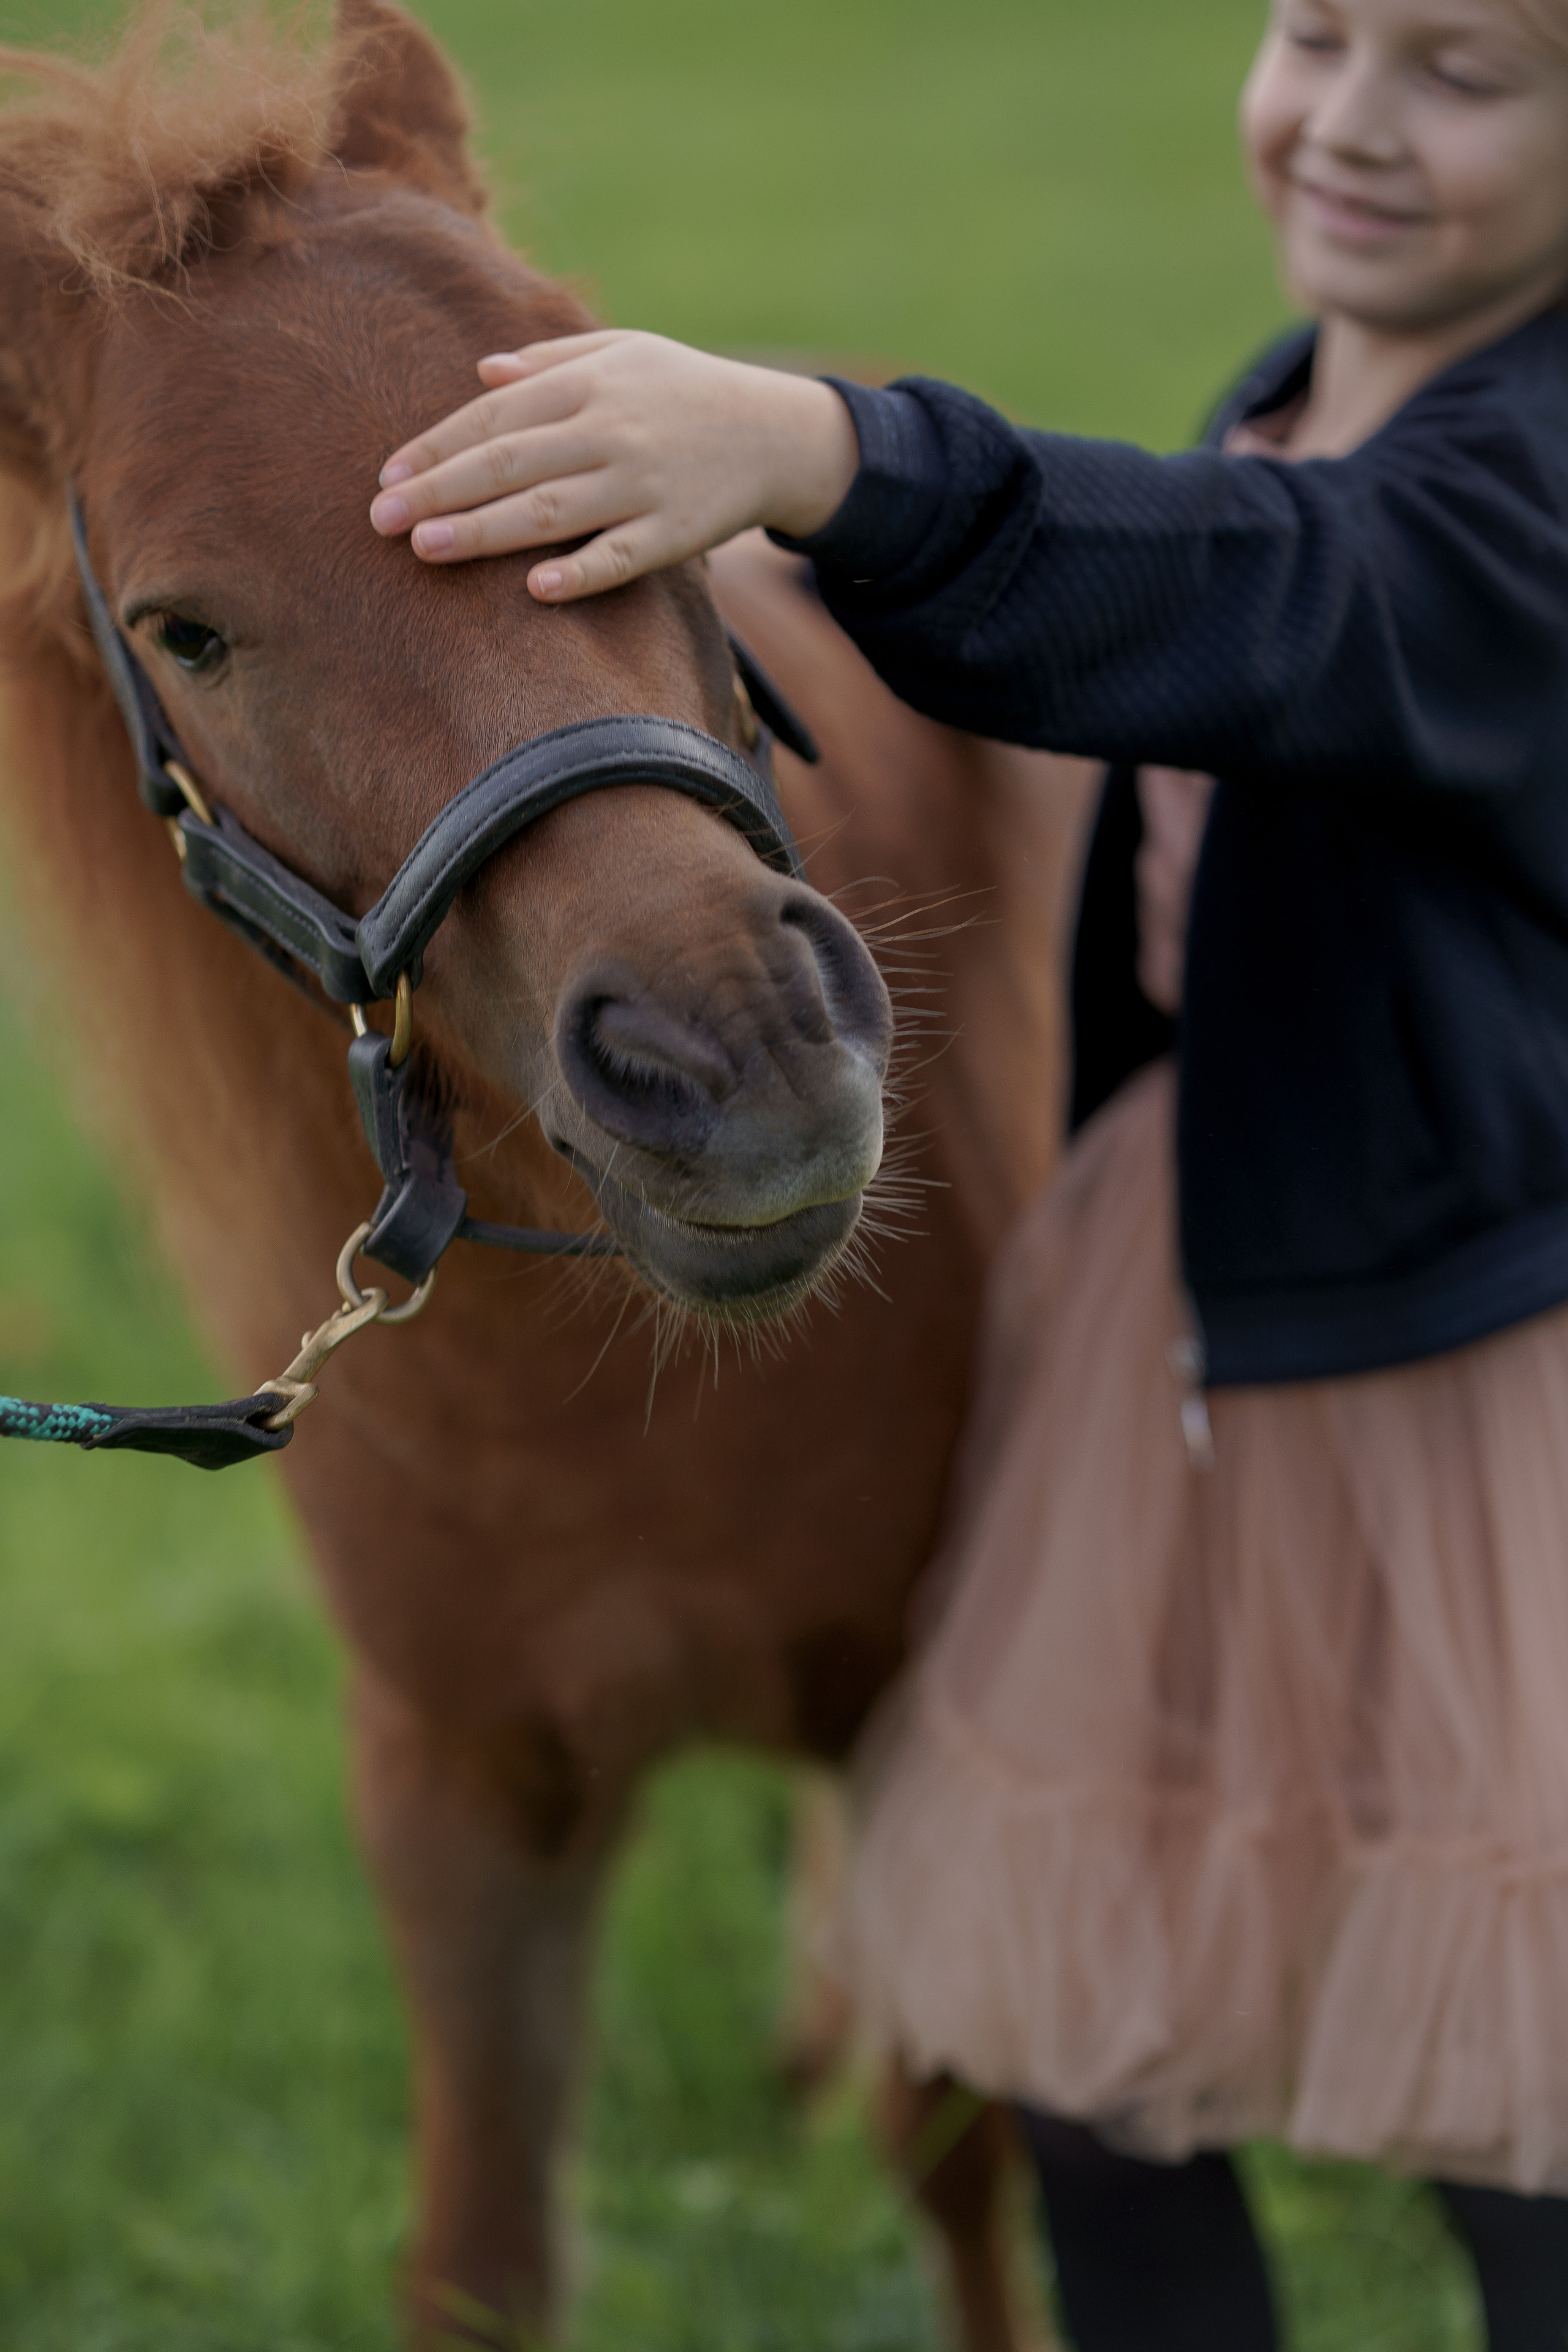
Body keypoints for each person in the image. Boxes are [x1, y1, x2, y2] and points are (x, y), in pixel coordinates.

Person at [368, 0, 1568, 2340]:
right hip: (1207, 1277)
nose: (1350, 121)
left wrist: (828, 450)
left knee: (1504, 2057)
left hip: (1465, 1355)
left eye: (1467, 71)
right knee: (1086, 2053)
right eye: (1320, 32)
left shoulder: (1519, 473)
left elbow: (1273, 592)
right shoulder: (1333, 375)